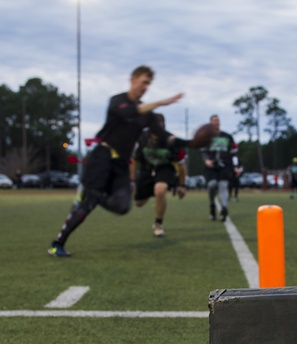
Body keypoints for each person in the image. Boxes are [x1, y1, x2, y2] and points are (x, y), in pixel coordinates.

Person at [48, 65, 184, 257]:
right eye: (144, 82)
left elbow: (163, 135)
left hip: (121, 163)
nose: (146, 87)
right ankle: (57, 243)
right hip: (102, 156)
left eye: (149, 84)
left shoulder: (148, 115)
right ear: (133, 80)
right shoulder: (118, 101)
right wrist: (160, 102)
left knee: (122, 206)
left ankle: (90, 195)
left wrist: (192, 142)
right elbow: (129, 112)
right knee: (86, 206)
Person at [133, 113, 187, 237]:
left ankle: (158, 224)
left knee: (160, 190)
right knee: (139, 203)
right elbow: (134, 160)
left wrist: (182, 185)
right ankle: (154, 194)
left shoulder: (172, 141)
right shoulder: (141, 138)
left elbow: (182, 165)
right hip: (147, 170)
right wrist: (132, 179)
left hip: (165, 168)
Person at [202, 114, 238, 221]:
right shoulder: (207, 137)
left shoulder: (227, 137)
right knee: (212, 185)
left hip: (225, 165)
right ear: (210, 123)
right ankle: (212, 204)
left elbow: (234, 152)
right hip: (212, 167)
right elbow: (203, 152)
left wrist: (235, 166)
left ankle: (224, 208)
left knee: (223, 186)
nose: (216, 122)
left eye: (217, 120)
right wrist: (207, 161)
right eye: (214, 120)